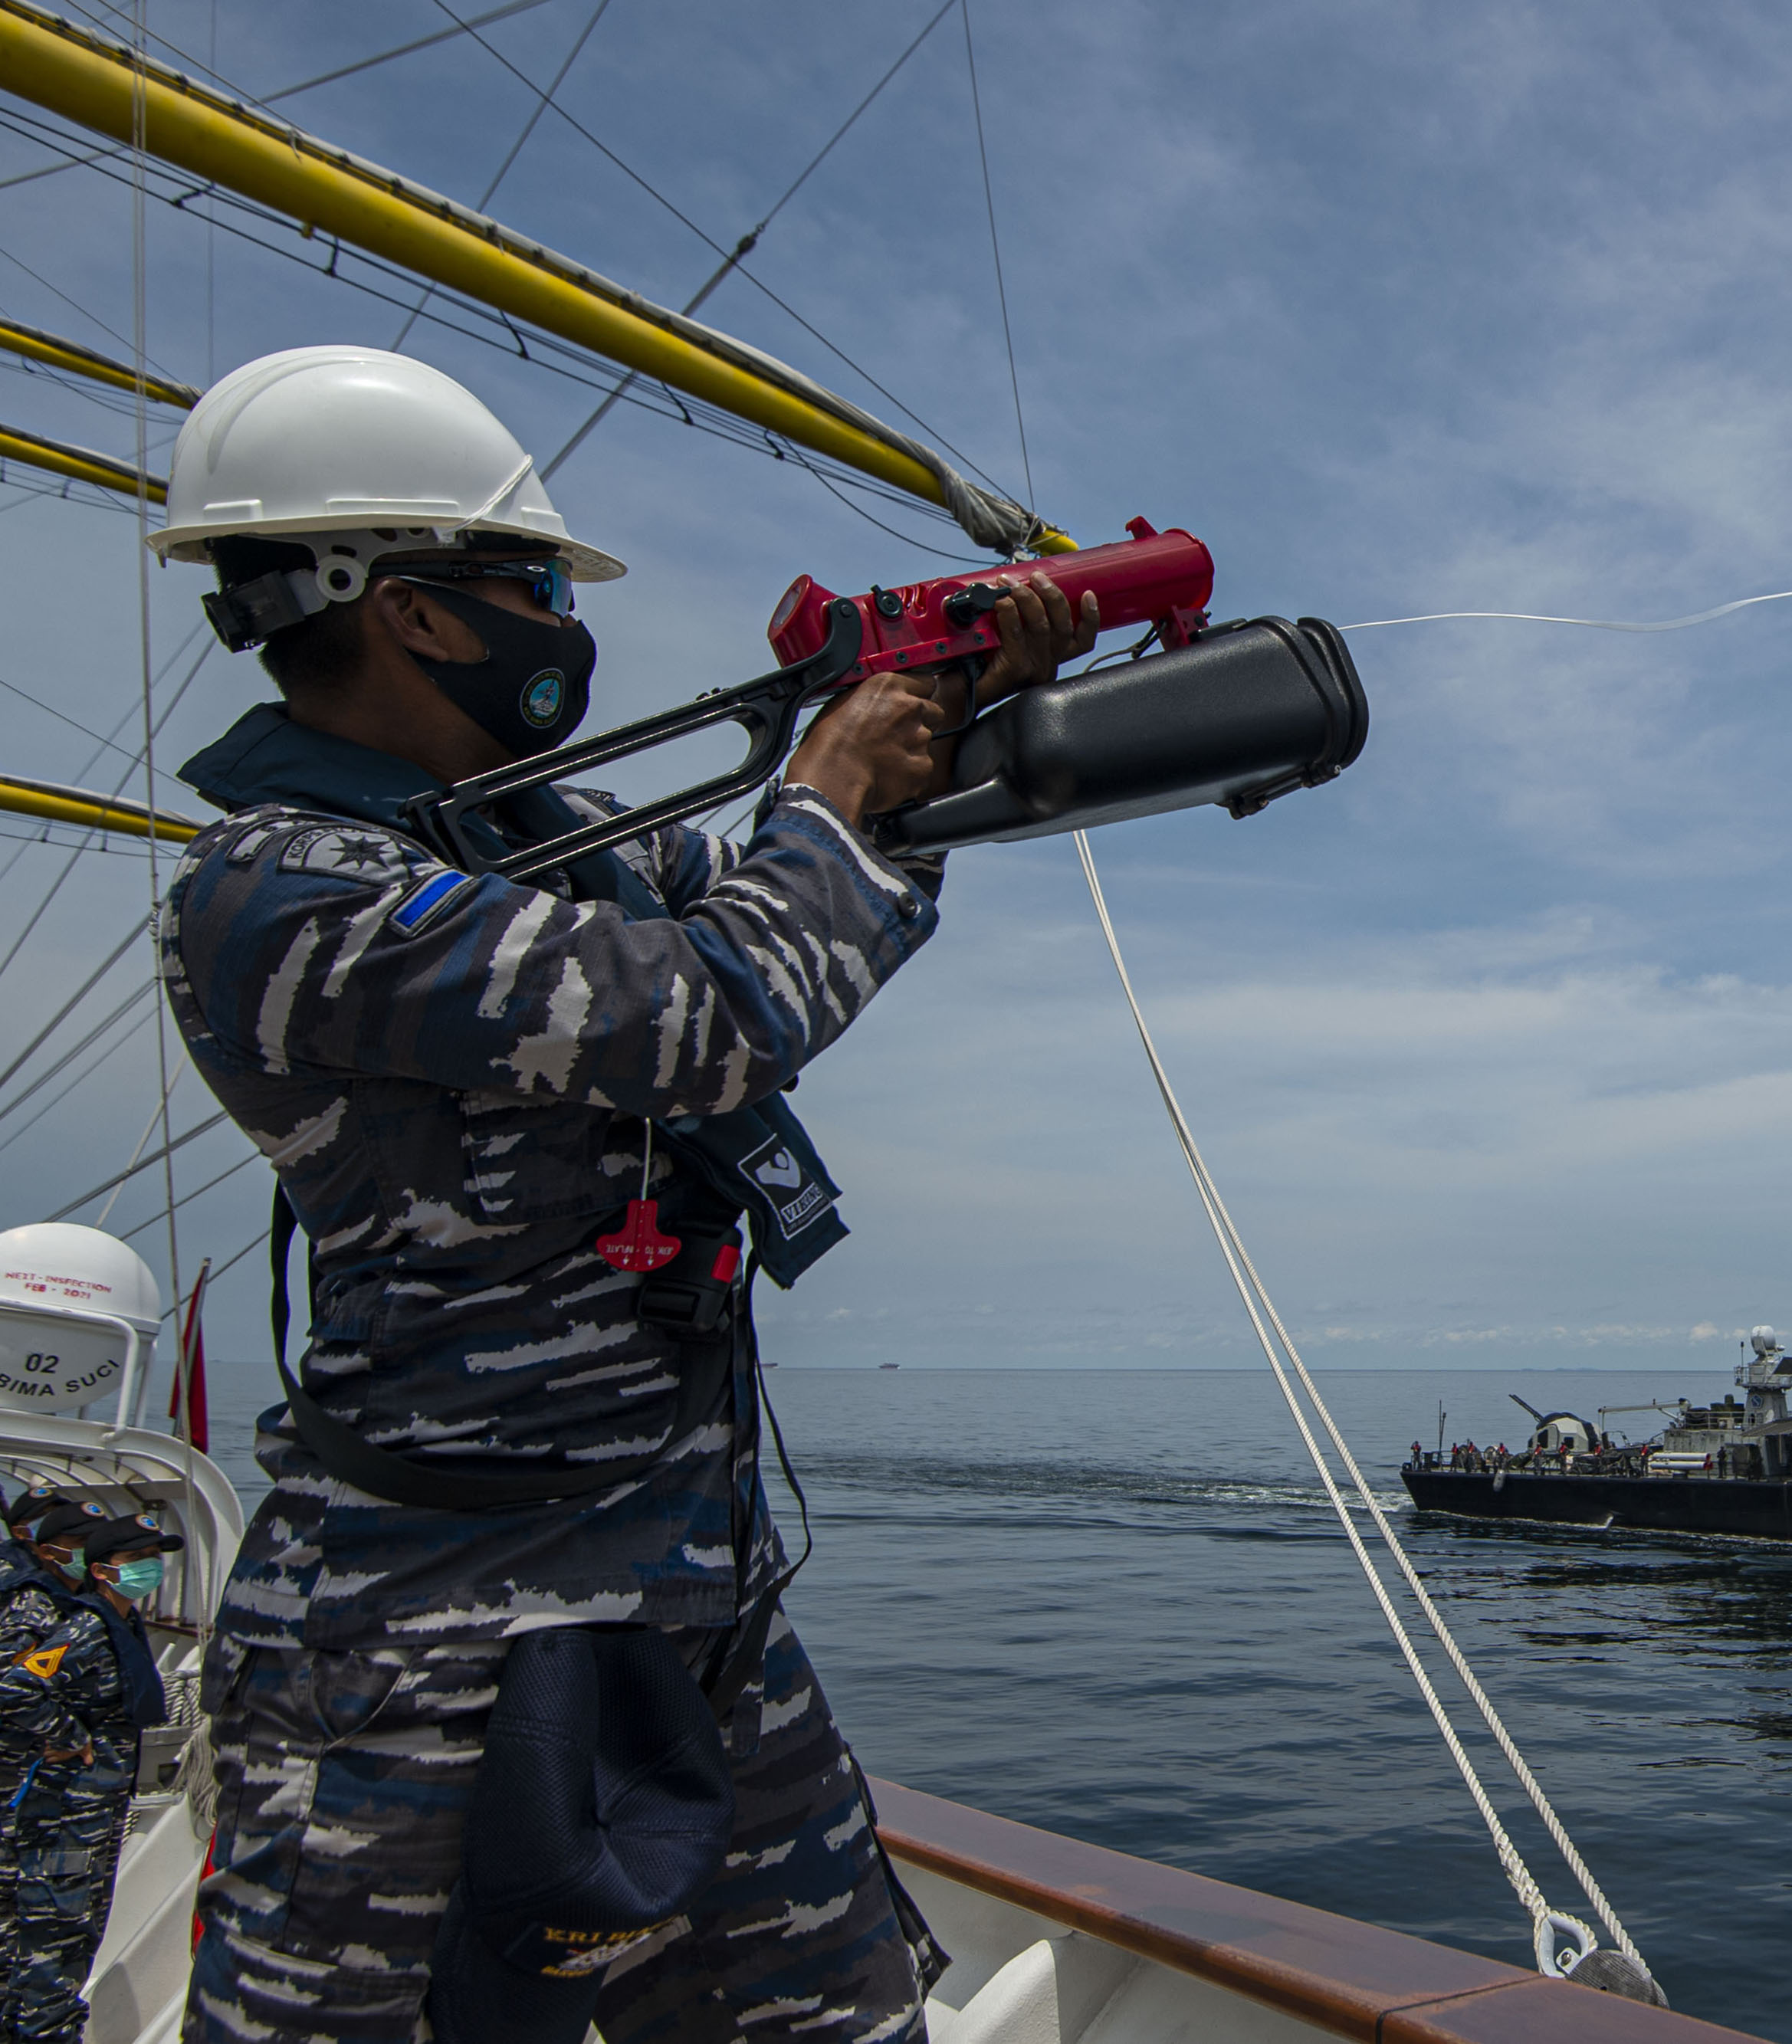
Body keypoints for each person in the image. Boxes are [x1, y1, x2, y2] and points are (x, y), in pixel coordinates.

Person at [147, 347, 1098, 2044]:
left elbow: (775, 884)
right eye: (525, 584)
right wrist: (833, 784)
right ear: (415, 612)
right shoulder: (279, 893)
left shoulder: (532, 837)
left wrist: (940, 712)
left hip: (687, 1596)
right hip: (420, 1638)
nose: (551, 622)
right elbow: (717, 1010)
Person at [2, 1501, 182, 2044]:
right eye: (137, 1557)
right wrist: (70, 1736)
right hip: (64, 1824)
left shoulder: (121, 1622)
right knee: (51, 1959)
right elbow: (12, 1688)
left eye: (154, 1556)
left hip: (92, 1822)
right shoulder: (86, 1628)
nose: (150, 1565)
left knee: (68, 1949)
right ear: (101, 1569)